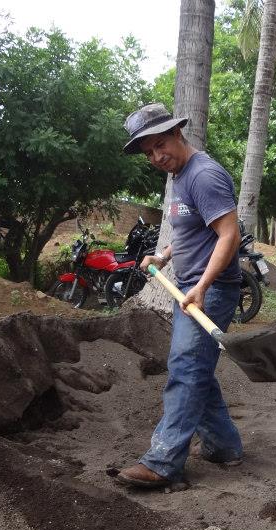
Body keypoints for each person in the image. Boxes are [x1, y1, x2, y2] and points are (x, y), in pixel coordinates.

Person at [115, 102, 243, 489]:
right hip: (187, 286)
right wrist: (164, 254)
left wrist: (201, 288)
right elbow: (191, 230)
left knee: (186, 370)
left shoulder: (204, 175)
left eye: (159, 146)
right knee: (197, 369)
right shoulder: (177, 176)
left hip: (212, 290)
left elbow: (228, 235)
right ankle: (225, 447)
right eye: (148, 152)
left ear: (176, 133)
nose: (156, 157)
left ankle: (163, 461)